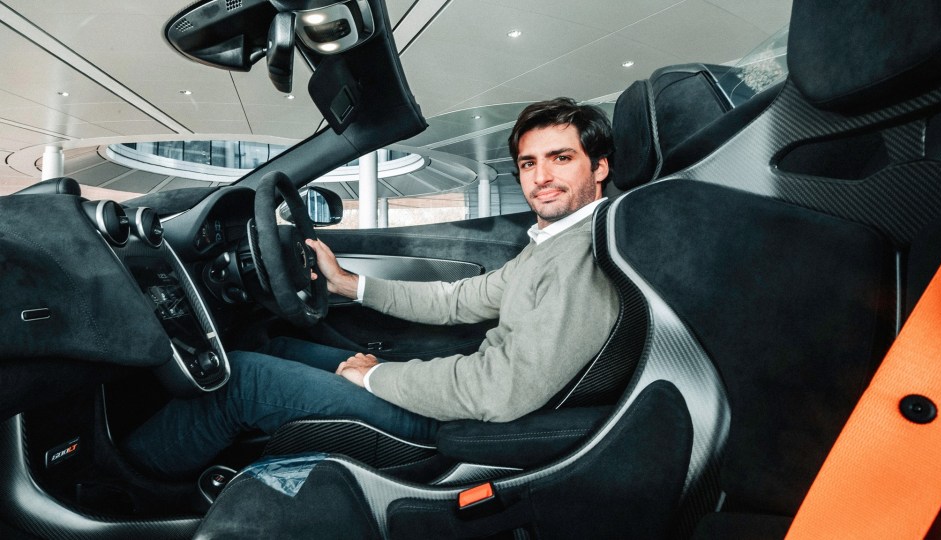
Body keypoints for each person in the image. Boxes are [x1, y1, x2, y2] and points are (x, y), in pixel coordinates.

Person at [123, 97, 620, 478]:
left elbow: (498, 392)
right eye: (529, 163)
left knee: (243, 381)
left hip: (464, 427)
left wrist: (376, 377)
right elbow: (457, 300)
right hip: (466, 398)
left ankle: (127, 488)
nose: (540, 177)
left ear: (599, 168)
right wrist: (347, 284)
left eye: (560, 158)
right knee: (273, 346)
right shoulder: (554, 243)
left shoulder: (579, 258)